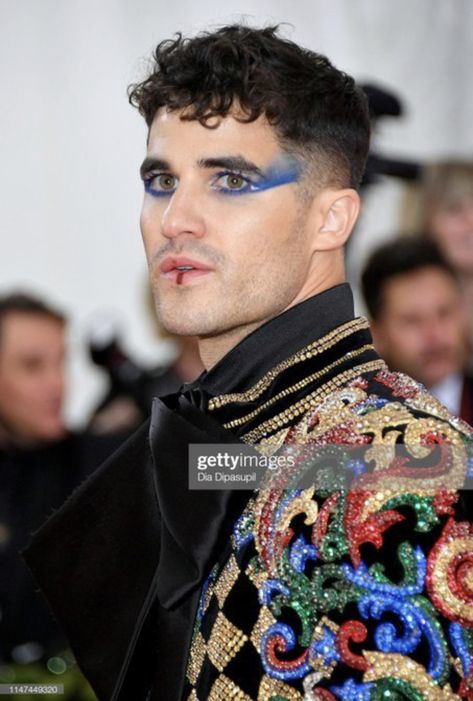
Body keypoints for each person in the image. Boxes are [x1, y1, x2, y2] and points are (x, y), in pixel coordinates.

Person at [24, 25, 472, 701]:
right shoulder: (219, 445)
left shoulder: (403, 461)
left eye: (230, 178)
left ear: (331, 219)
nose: (175, 217)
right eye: (160, 179)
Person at [0, 292, 127, 666]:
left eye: (61, 363)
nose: (58, 384)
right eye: (32, 366)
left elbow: (212, 466)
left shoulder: (104, 460)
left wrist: (307, 460)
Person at [361, 237, 473, 421]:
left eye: (444, 313)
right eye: (412, 320)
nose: (434, 335)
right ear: (377, 333)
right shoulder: (362, 422)